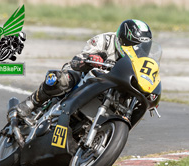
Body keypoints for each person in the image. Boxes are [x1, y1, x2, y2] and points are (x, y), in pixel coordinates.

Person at [16, 19, 152, 118]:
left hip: (113, 88)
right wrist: (92, 58)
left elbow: (145, 78)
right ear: (123, 39)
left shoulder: (141, 60)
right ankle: (32, 102)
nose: (137, 50)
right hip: (86, 77)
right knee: (60, 79)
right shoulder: (105, 40)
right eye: (134, 45)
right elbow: (78, 60)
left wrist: (150, 94)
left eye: (142, 47)